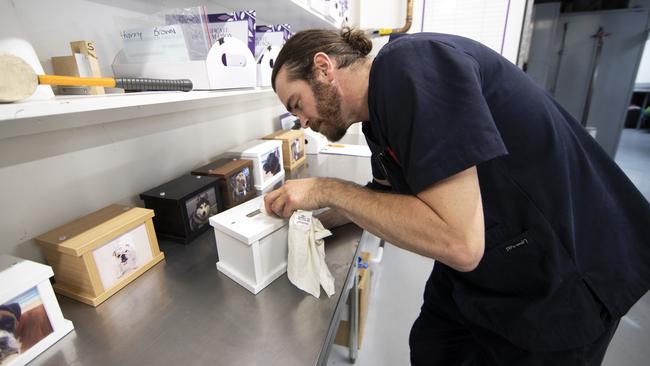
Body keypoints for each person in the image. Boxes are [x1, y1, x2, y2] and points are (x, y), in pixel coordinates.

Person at [264, 27, 650, 365]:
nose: (302, 122)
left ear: (323, 68)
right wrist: (317, 213)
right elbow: (381, 195)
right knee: (434, 347)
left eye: (297, 104)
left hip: (562, 273)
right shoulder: (376, 122)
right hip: (485, 272)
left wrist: (324, 188)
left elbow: (460, 242)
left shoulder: (412, 66)